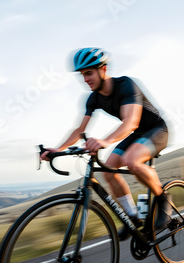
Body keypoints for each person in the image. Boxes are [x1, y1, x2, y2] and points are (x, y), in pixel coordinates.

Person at [41, 47, 171, 240]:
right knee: (108, 171)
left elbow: (131, 121)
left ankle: (163, 199)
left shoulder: (126, 85)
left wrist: (105, 141)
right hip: (137, 134)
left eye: (89, 73)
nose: (85, 79)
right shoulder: (93, 99)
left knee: (132, 161)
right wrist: (58, 149)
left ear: (103, 70)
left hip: (157, 130)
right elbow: (79, 130)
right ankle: (133, 218)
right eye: (82, 75)